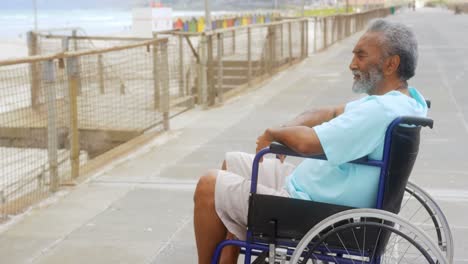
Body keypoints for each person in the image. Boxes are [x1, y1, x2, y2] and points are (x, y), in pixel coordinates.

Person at [193, 18, 428, 264]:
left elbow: (308, 144)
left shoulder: (380, 110)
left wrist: (274, 133)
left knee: (209, 186)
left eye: (361, 56)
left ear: (391, 64)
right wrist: (288, 128)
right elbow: (330, 113)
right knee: (232, 164)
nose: (352, 64)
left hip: (316, 209)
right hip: (312, 193)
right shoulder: (401, 102)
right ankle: (226, 257)